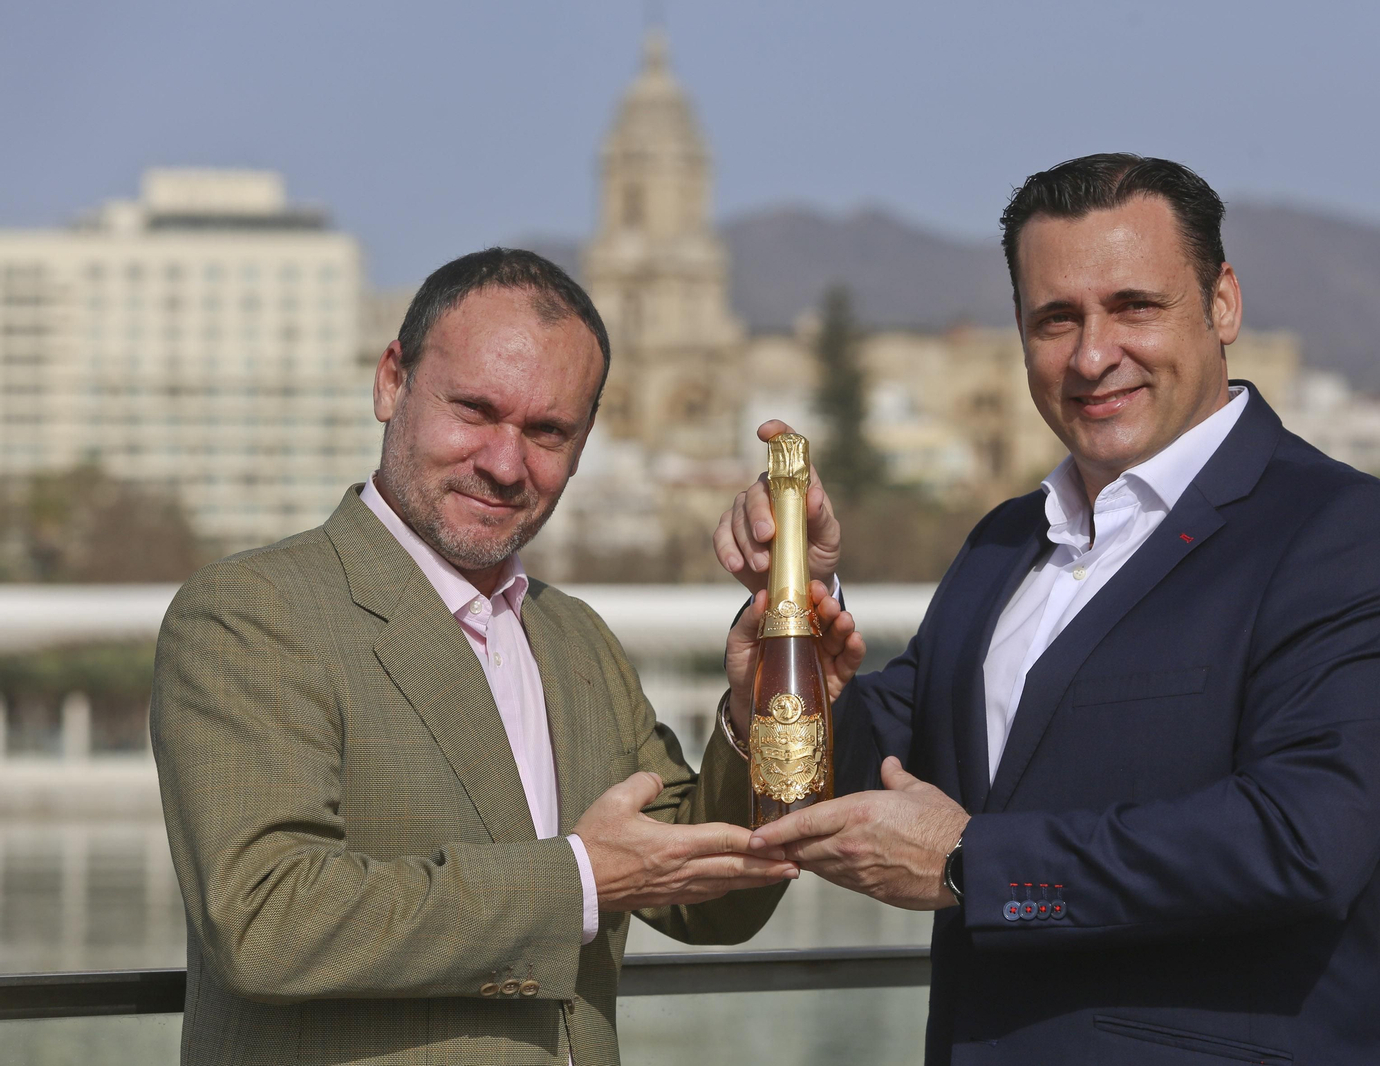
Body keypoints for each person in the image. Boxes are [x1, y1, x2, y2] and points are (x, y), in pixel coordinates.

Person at [716, 155, 1380, 1064]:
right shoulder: (1003, 544)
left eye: (1134, 306)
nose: (1093, 354)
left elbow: (1304, 842)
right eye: (1056, 319)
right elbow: (882, 775)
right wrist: (788, 658)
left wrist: (968, 865)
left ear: (1223, 303)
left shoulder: (1346, 535)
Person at [150, 247, 862, 1065]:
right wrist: (582, 882)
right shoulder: (253, 614)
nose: (504, 462)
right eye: (476, 411)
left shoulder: (578, 640)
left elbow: (716, 905)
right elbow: (266, 920)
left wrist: (756, 707)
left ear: (586, 441)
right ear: (392, 382)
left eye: (547, 430)